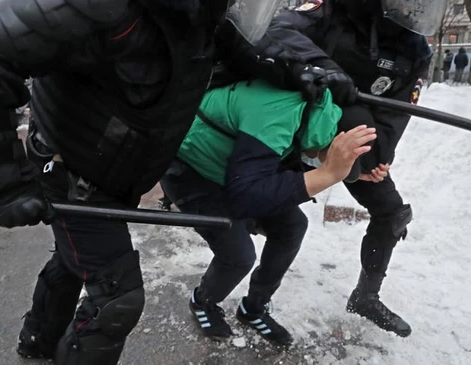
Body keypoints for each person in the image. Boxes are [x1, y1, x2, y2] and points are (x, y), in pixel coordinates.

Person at [0, 0, 311, 363]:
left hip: (115, 170)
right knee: (117, 297)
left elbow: (249, 49)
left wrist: (304, 70)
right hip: (68, 169)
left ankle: (37, 344)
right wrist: (3, 182)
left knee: (72, 262)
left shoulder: (199, 5)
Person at [248, 0, 451, 338]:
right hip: (298, 129)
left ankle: (366, 296)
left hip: (355, 137)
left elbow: (398, 111)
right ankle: (253, 299)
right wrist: (327, 70)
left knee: (392, 213)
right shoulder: (334, 9)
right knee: (268, 211)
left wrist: (377, 157)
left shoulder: (415, 49)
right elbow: (273, 29)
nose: (415, 6)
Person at [160, 79, 375, 346]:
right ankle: (203, 301)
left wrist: (361, 170)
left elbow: (291, 162)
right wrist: (328, 173)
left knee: (292, 226)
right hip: (192, 168)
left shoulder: (317, 115)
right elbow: (247, 198)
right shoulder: (281, 113)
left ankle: (254, 307)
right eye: (331, 155)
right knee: (238, 255)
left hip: (233, 165)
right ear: (332, 141)